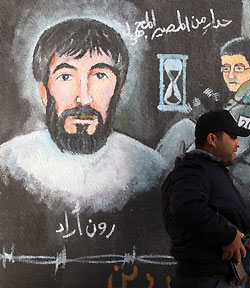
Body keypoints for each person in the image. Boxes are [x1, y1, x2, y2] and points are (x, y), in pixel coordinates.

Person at [0, 18, 167, 213]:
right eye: (66, 77)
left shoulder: (151, 171)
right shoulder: (10, 164)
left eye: (99, 76)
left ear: (120, 90)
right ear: (44, 91)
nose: (84, 98)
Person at [158, 37, 250, 197]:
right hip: (243, 174)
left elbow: (222, 150)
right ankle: (159, 183)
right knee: (185, 128)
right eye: (226, 68)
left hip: (248, 184)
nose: (230, 75)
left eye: (238, 68)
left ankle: (157, 187)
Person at [161, 109, 250, 287]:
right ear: (212, 139)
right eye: (232, 137)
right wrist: (228, 235)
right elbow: (187, 208)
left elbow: (231, 216)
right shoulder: (194, 168)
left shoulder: (211, 171)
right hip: (205, 280)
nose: (238, 143)